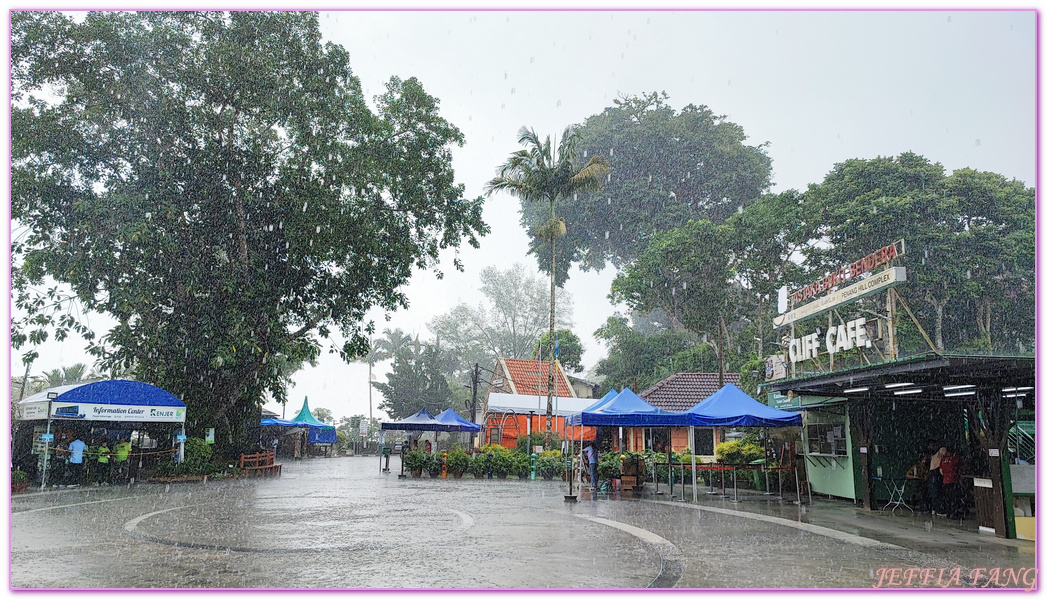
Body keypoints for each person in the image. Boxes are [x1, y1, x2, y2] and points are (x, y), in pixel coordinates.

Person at [939, 447, 962, 519]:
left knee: (948, 498)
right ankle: (953, 513)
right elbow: (960, 466)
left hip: (946, 481)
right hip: (953, 481)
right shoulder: (954, 459)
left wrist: (946, 476)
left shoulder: (942, 460)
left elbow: (941, 471)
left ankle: (949, 513)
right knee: (954, 498)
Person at [928, 446, 946, 516]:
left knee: (935, 493)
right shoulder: (937, 458)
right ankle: (938, 510)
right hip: (935, 475)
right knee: (937, 493)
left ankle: (934, 509)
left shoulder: (935, 457)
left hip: (934, 475)